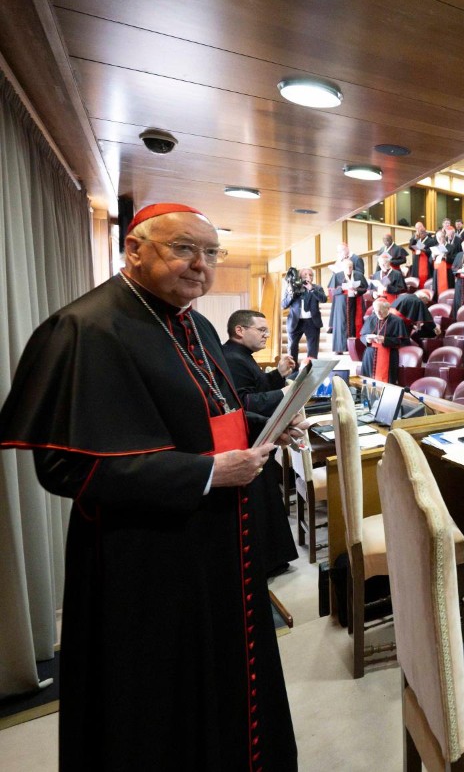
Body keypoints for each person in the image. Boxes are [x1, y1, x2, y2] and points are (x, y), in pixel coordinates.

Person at [0, 203, 299, 770]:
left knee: (229, 684)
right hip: (146, 560)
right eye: (184, 248)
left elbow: (213, 414)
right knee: (162, 708)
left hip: (220, 547)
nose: (200, 265)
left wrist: (272, 427)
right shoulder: (85, 328)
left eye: (211, 253)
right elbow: (66, 467)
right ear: (133, 250)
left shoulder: (198, 323)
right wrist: (209, 473)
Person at [222, 308, 302, 576]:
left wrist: (278, 375)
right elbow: (244, 402)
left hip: (257, 436)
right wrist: (283, 391)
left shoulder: (241, 356)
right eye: (262, 330)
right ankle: (268, 563)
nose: (267, 335)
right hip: (248, 438)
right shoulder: (233, 358)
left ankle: (273, 560)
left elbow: (256, 388)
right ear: (240, 330)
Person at [281, 266, 326, 362]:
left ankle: (310, 370)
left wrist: (311, 289)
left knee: (313, 349)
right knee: (292, 348)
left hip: (312, 322)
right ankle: (293, 371)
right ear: (299, 277)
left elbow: (323, 299)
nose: (308, 276)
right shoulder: (292, 288)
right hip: (295, 322)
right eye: (305, 274)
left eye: (310, 275)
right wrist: (291, 294)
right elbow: (284, 305)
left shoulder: (317, 288)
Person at [359, 298, 410, 382]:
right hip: (370, 355)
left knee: (387, 383)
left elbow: (403, 342)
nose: (378, 313)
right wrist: (367, 340)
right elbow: (362, 336)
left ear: (387, 308)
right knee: (368, 381)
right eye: (376, 310)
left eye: (381, 310)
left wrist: (385, 340)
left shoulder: (397, 321)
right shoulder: (371, 319)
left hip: (389, 355)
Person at [327, 256, 368, 352]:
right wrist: (342, 289)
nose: (349, 269)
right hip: (341, 304)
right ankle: (340, 348)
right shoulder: (337, 276)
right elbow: (332, 291)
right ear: (343, 268)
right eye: (346, 267)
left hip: (355, 301)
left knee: (355, 323)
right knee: (341, 324)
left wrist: (357, 291)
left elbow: (365, 288)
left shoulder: (358, 275)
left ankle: (355, 347)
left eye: (350, 267)